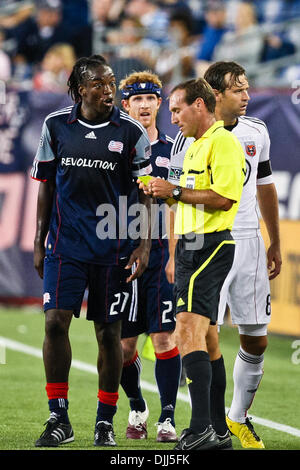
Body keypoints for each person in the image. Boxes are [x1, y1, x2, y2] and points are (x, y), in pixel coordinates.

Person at [31, 54, 152, 448]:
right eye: (99, 85)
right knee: (54, 323)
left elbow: (147, 194)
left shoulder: (132, 132)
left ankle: (104, 421)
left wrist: (144, 245)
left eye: (112, 83)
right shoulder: (55, 127)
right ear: (81, 89)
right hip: (64, 247)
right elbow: (46, 185)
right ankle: (58, 416)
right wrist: (38, 240)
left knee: (109, 334)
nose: (108, 91)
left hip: (113, 250)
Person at [169, 61, 282, 449]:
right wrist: (172, 252)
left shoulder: (257, 132)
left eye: (247, 88)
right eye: (238, 90)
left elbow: (265, 186)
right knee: (200, 330)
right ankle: (207, 423)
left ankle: (235, 418)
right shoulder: (188, 140)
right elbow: (175, 200)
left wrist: (275, 240)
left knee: (256, 339)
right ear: (215, 96)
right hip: (207, 239)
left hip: (248, 241)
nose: (247, 96)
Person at [139, 77, 245, 450]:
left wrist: (176, 191)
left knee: (184, 329)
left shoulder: (223, 142)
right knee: (208, 339)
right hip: (189, 247)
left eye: (176, 108)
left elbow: (223, 198)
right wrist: (163, 191)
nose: (172, 116)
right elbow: (188, 198)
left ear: (199, 105)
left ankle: (199, 428)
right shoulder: (196, 146)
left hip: (210, 245)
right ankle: (217, 430)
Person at [118, 71, 180, 442]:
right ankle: (138, 406)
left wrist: (175, 254)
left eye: (150, 98)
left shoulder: (174, 150)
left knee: (163, 339)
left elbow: (179, 202)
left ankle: (167, 418)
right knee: (124, 346)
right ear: (126, 105)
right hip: (124, 253)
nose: (144, 104)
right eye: (136, 99)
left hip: (160, 253)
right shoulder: (117, 146)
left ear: (160, 103)